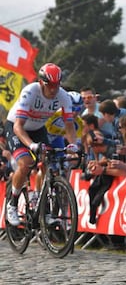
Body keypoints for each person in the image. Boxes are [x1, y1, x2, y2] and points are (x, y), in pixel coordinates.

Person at [4, 63, 79, 226]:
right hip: (17, 127)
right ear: (40, 82)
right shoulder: (30, 92)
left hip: (38, 129)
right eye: (49, 85)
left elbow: (69, 125)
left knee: (50, 165)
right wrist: (31, 145)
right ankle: (13, 204)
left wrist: (74, 145)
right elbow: (18, 126)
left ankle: (44, 209)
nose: (53, 89)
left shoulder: (64, 96)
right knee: (26, 163)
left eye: (56, 85)